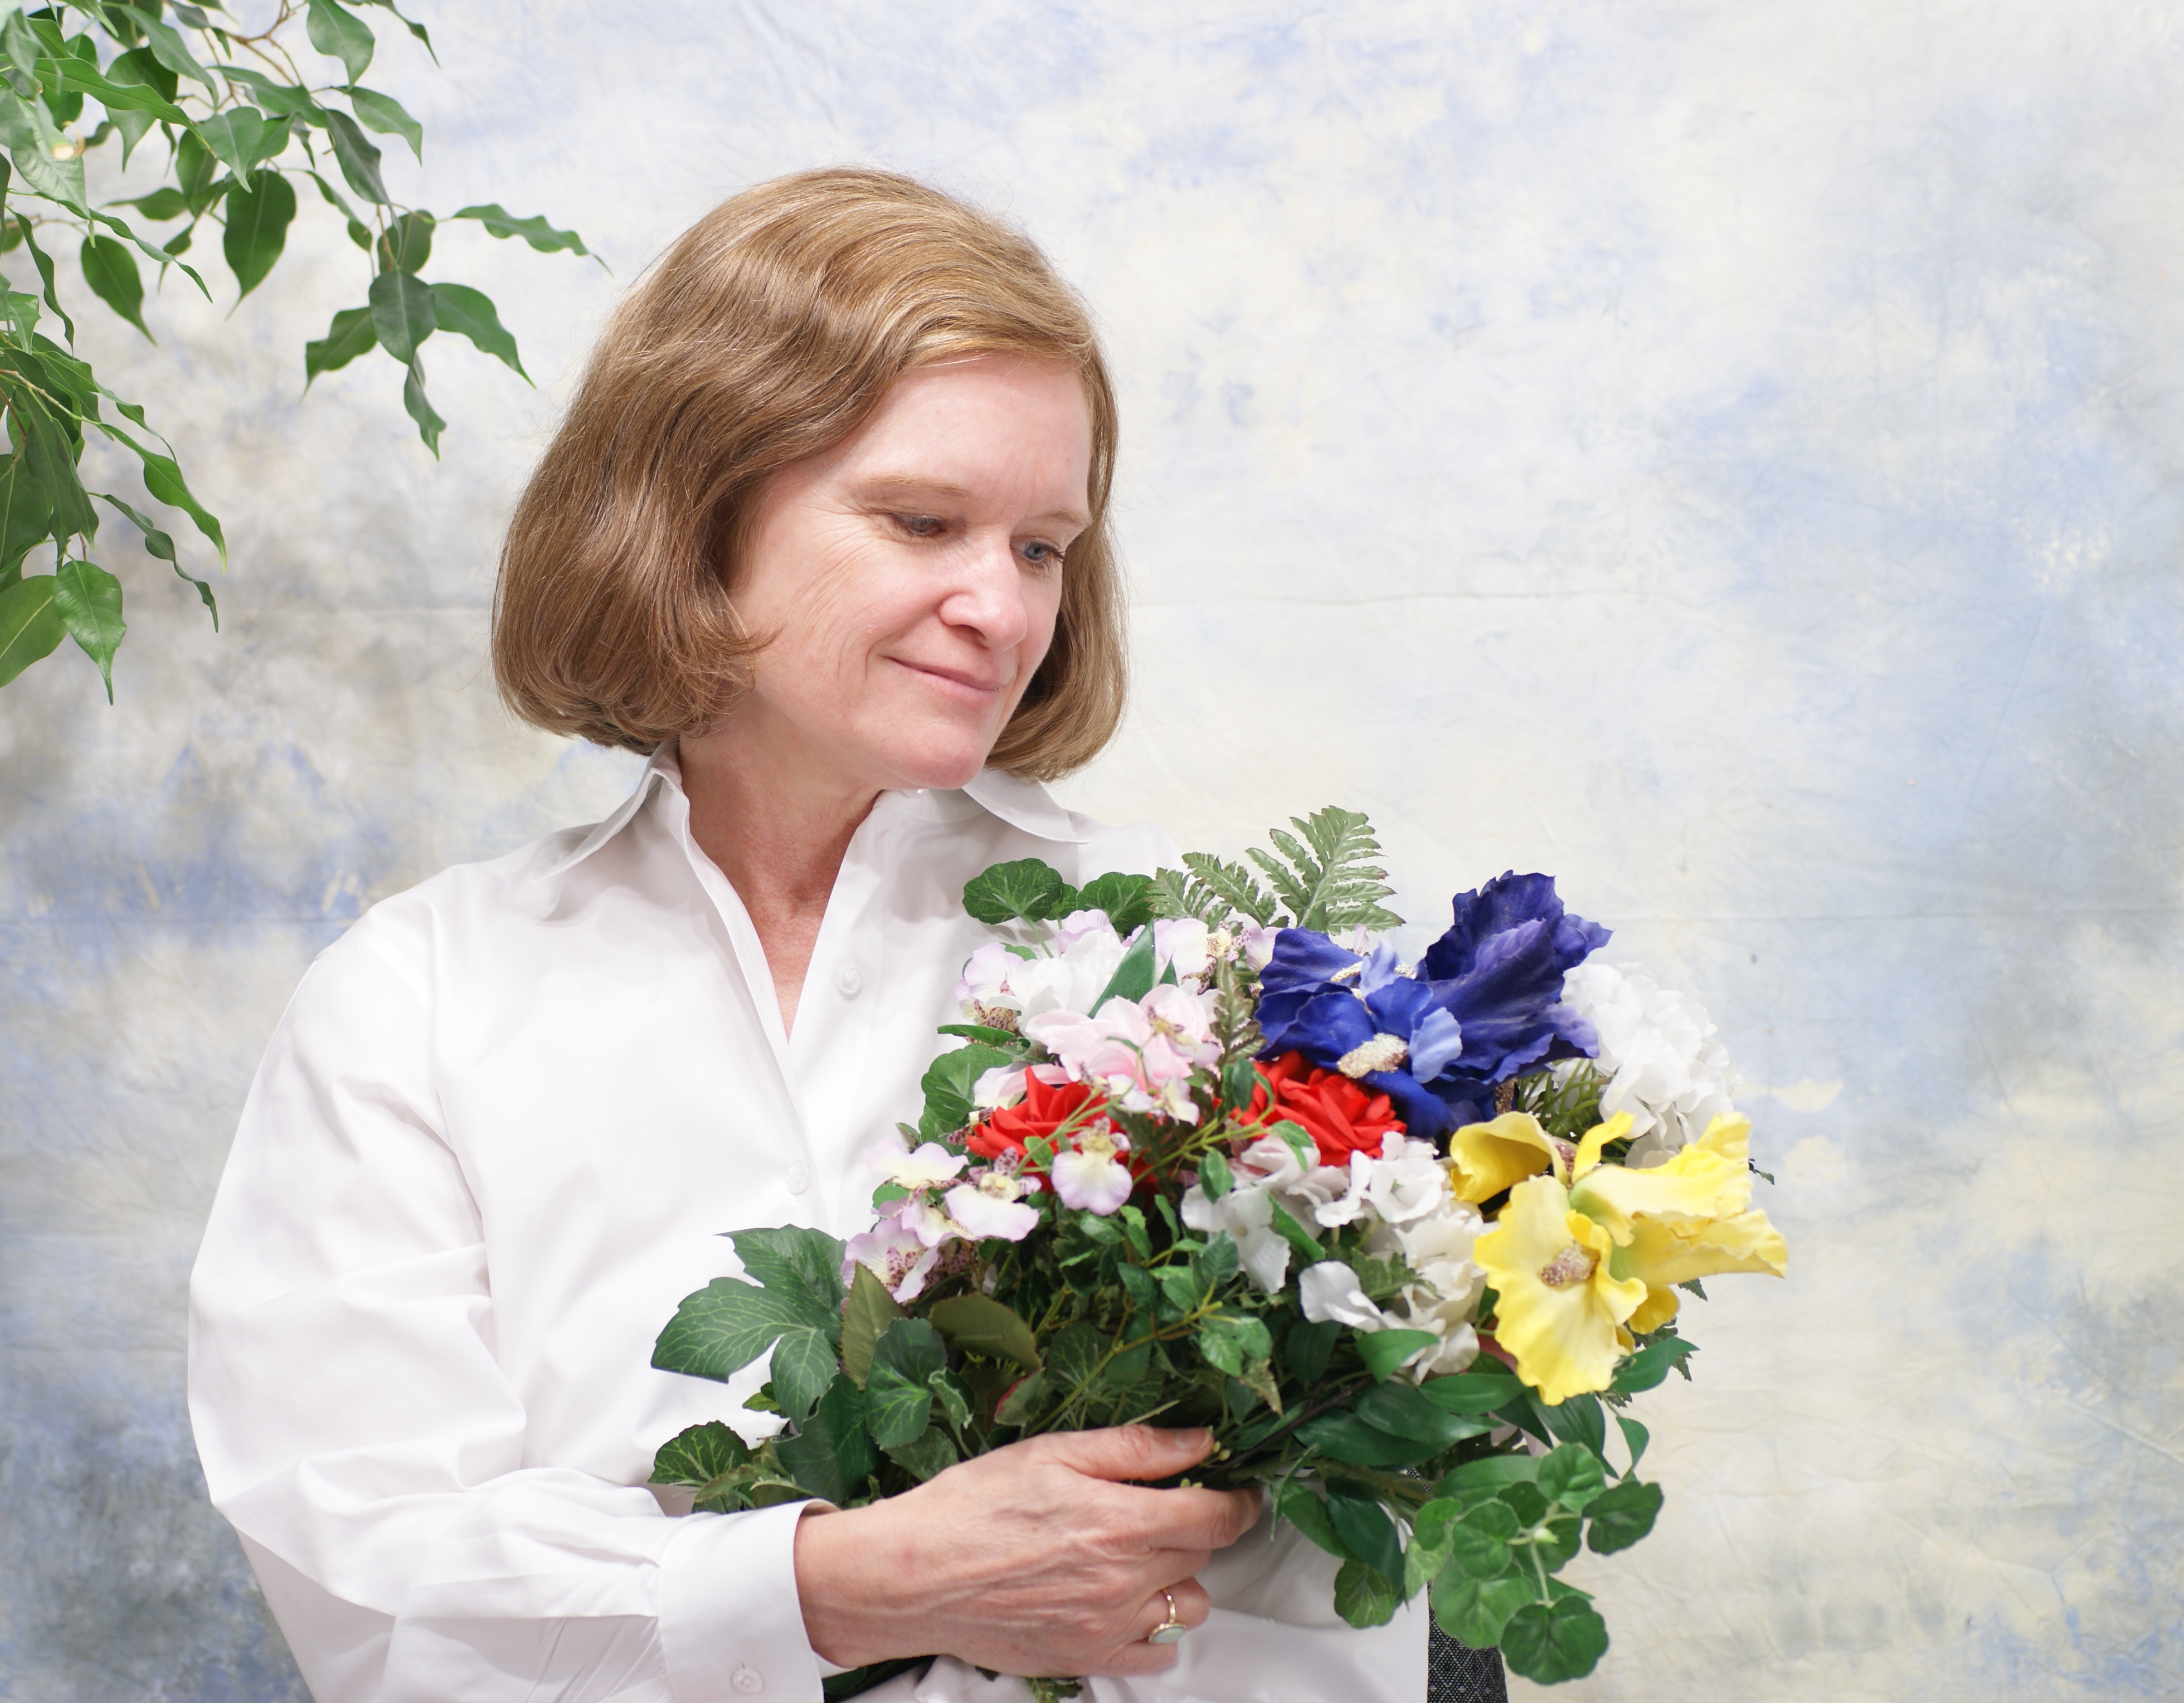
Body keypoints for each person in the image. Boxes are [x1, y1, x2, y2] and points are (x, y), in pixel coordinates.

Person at [188, 167, 1429, 1703]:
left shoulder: (1192, 972)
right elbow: (377, 1582)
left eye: (1042, 546)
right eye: (923, 521)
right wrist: (846, 1591)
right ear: (693, 511)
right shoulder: (418, 1002)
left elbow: (1330, 1587)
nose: (1002, 610)